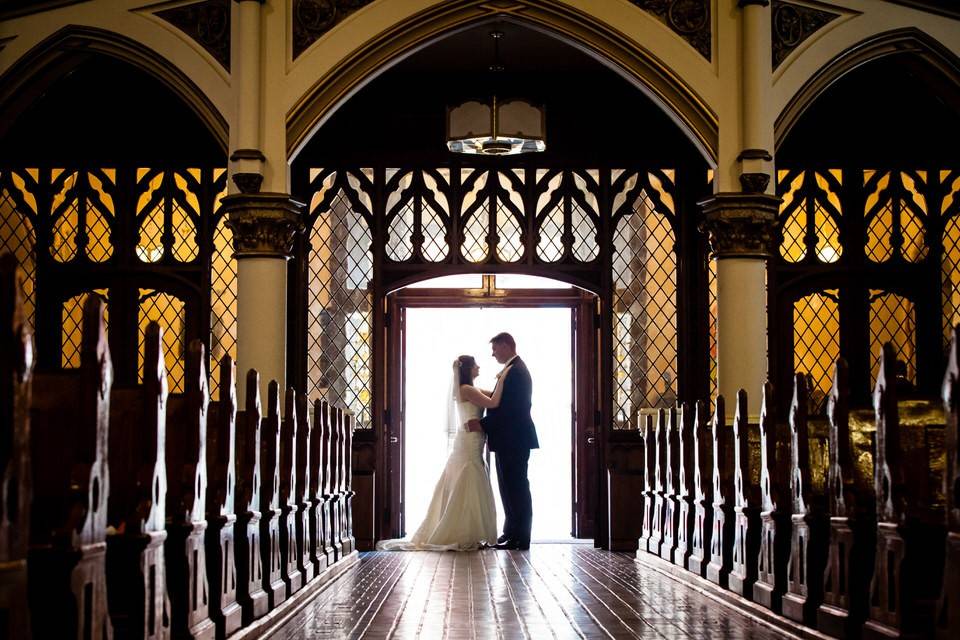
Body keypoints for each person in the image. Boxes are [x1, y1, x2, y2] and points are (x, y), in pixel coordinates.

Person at [377, 355, 509, 551]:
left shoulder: (468, 389)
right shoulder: (467, 389)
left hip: (470, 439)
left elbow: (493, 396)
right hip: (469, 440)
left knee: (466, 479)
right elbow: (494, 403)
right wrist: (504, 378)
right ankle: (465, 530)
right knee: (470, 477)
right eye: (476, 364)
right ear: (469, 369)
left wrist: (501, 384)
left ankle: (469, 528)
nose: (479, 366)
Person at [467, 332, 538, 550]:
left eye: (495, 348)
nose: (492, 353)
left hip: (514, 439)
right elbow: (502, 399)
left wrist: (484, 425)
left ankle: (520, 537)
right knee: (508, 488)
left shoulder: (516, 371)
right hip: (508, 438)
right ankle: (510, 532)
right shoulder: (511, 369)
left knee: (516, 487)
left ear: (506, 345)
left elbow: (511, 409)